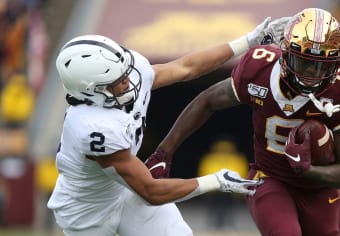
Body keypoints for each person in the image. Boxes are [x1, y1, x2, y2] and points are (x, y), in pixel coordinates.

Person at [46, 17, 283, 236]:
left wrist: (247, 41)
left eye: (125, 73)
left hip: (123, 191)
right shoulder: (92, 127)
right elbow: (151, 191)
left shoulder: (129, 73)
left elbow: (185, 67)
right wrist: (215, 181)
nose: (129, 81)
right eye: (118, 82)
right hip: (86, 212)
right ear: (91, 90)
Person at [147, 8, 340, 236]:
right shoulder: (259, 68)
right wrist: (164, 152)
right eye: (305, 62)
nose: (312, 74)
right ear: (286, 53)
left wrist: (308, 170)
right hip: (269, 178)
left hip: (319, 190)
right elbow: (207, 101)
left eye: (323, 65)